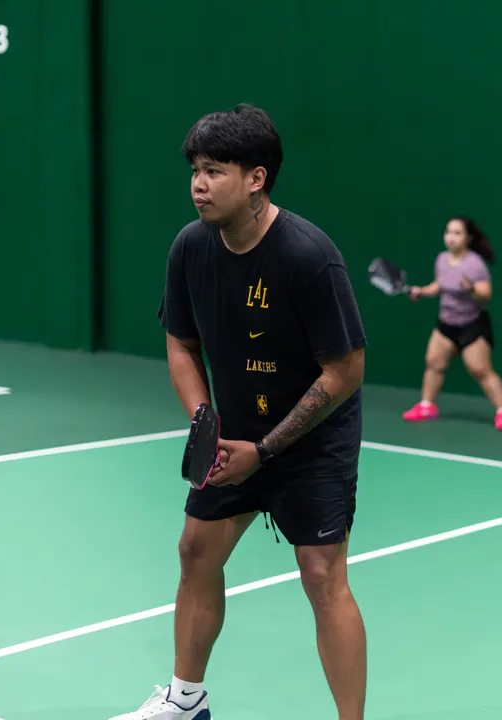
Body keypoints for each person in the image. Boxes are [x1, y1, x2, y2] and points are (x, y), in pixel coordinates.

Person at [110, 104, 367, 719]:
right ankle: (185, 701)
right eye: (195, 171)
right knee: (196, 551)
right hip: (234, 436)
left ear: (256, 179)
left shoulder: (308, 256)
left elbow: (346, 370)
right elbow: (180, 344)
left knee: (321, 574)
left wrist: (268, 450)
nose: (198, 185)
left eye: (214, 171)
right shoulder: (190, 248)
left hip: (311, 441)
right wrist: (207, 421)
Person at [402, 216, 502, 431]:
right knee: (434, 363)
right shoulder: (442, 260)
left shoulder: (475, 264)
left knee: (480, 369)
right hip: (446, 323)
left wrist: (471, 289)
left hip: (471, 324)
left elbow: (486, 294)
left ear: (467, 238)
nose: (451, 237)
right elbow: (440, 285)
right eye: (448, 232)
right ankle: (427, 406)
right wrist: (421, 291)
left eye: (457, 233)